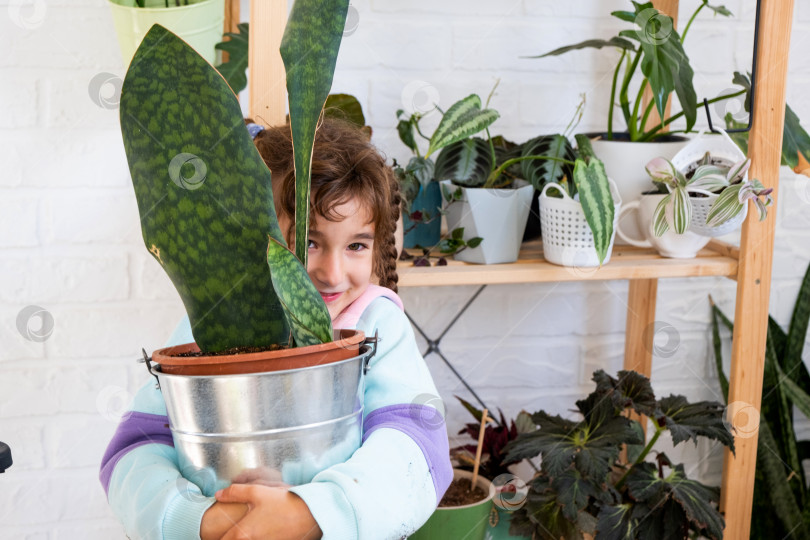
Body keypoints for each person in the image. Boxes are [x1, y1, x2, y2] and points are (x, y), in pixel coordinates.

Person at [100, 118, 452, 539]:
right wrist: (198, 519)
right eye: (308, 242)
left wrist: (309, 513)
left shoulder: (376, 323)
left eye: (356, 245)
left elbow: (416, 446)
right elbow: (134, 452)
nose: (332, 274)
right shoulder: (212, 320)